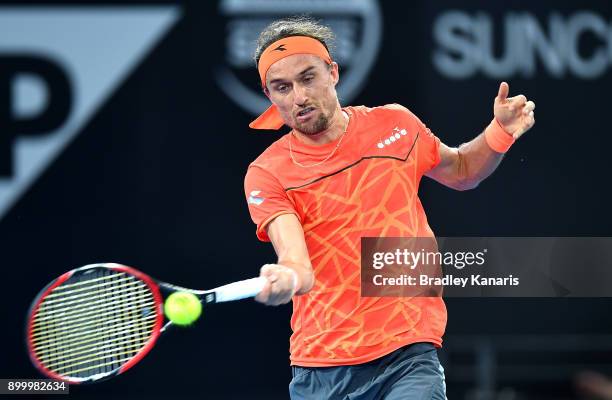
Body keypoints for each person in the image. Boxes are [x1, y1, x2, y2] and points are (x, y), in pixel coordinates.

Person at [243, 16, 535, 400]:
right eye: (282, 87)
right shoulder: (267, 173)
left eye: (308, 77)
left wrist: (498, 132)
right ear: (270, 96)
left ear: (332, 72)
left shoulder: (394, 124)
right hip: (320, 368)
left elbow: (462, 170)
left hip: (408, 354)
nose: (298, 97)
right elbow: (296, 261)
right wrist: (288, 279)